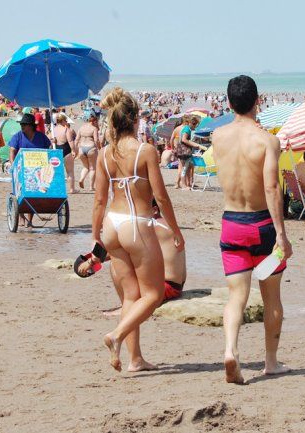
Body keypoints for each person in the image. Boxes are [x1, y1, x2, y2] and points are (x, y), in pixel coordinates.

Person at [92, 87, 184, 372]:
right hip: (136, 224)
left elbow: (99, 200)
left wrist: (96, 237)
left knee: (131, 296)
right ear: (135, 119)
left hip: (112, 224)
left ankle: (134, 359)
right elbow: (162, 196)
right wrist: (175, 229)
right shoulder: (145, 151)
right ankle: (115, 335)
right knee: (153, 295)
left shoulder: (105, 153)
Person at [211, 75, 292, 384]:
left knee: (236, 297)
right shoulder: (267, 141)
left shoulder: (218, 136)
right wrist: (281, 234)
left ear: (229, 103)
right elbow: (271, 188)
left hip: (232, 223)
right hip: (261, 225)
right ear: (258, 100)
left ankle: (230, 350)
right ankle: (270, 362)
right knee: (271, 297)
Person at [175, 116, 206, 189]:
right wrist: (196, 145)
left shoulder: (186, 128)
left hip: (182, 150)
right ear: (191, 123)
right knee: (184, 168)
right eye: (195, 124)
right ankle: (184, 185)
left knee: (187, 168)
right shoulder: (187, 129)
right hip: (184, 151)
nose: (195, 126)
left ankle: (187, 184)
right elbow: (184, 140)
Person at [53, 113, 77, 193]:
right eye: (66, 120)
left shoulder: (54, 129)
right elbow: (70, 141)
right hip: (66, 150)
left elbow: (50, 138)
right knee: (70, 171)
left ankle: (58, 189)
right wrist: (73, 150)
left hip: (57, 150)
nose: (66, 122)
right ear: (63, 120)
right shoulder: (66, 129)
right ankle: (72, 189)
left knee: (58, 172)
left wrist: (54, 141)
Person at [75, 114, 100, 191]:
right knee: (92, 168)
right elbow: (96, 140)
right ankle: (91, 187)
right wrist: (99, 148)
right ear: (94, 121)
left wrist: (75, 150)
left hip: (82, 149)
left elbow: (76, 139)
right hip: (91, 148)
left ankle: (81, 179)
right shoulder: (94, 129)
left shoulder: (81, 128)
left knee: (86, 167)